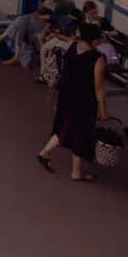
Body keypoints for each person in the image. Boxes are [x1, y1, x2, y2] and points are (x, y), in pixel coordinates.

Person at [38, 20, 107, 181]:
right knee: (78, 132)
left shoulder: (71, 47)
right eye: (99, 37)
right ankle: (46, 153)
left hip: (66, 93)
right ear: (93, 39)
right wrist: (104, 112)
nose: (101, 40)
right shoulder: (97, 59)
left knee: (68, 127)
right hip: (84, 99)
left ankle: (74, 169)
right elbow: (98, 88)